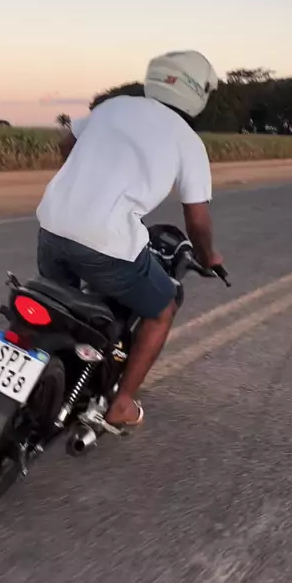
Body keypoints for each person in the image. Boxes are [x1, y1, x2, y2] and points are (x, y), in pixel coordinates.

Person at [36, 50, 222, 429]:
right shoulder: (187, 141)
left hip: (51, 227)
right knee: (163, 307)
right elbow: (197, 219)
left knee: (62, 310)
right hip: (106, 241)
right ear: (196, 92)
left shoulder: (113, 107)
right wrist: (209, 257)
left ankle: (52, 377)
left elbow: (66, 145)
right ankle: (121, 403)